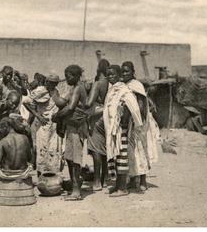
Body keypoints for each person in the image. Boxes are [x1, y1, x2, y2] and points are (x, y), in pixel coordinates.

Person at [104, 65, 142, 197]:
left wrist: (124, 120)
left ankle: (123, 188)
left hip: (121, 129)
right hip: (113, 130)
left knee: (121, 158)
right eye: (108, 74)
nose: (110, 77)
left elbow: (132, 105)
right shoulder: (113, 89)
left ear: (119, 75)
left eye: (113, 74)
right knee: (115, 157)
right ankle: (117, 185)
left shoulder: (123, 89)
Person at [52, 65, 88, 201]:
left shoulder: (79, 88)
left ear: (77, 76)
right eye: (66, 76)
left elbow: (71, 107)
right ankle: (75, 185)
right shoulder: (73, 89)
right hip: (71, 127)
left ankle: (76, 191)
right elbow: (62, 102)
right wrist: (53, 92)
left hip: (77, 128)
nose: (67, 78)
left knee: (75, 159)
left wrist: (57, 116)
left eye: (70, 76)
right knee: (69, 157)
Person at [0, 114, 34, 195]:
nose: (1, 131)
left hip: (7, 174)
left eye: (2, 128)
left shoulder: (3, 141)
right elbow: (29, 158)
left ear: (6, 127)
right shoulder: (24, 138)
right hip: (23, 173)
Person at [121, 61, 152, 192]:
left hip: (137, 123)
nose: (124, 73)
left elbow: (141, 105)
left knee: (140, 150)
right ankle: (133, 180)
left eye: (127, 71)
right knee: (130, 152)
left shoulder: (137, 85)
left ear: (133, 72)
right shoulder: (124, 85)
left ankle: (143, 180)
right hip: (127, 122)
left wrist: (137, 121)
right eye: (122, 71)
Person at [23, 74, 63, 175]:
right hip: (43, 124)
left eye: (55, 83)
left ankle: (52, 174)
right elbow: (26, 102)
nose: (53, 85)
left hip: (54, 124)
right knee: (42, 148)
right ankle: (41, 174)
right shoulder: (40, 90)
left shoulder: (55, 91)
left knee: (54, 149)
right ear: (47, 82)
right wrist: (38, 116)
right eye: (51, 83)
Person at [85, 59, 110, 191]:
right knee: (104, 149)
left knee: (95, 149)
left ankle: (96, 181)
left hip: (97, 117)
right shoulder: (111, 83)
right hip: (108, 117)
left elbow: (89, 103)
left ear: (98, 70)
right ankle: (105, 179)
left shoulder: (98, 84)